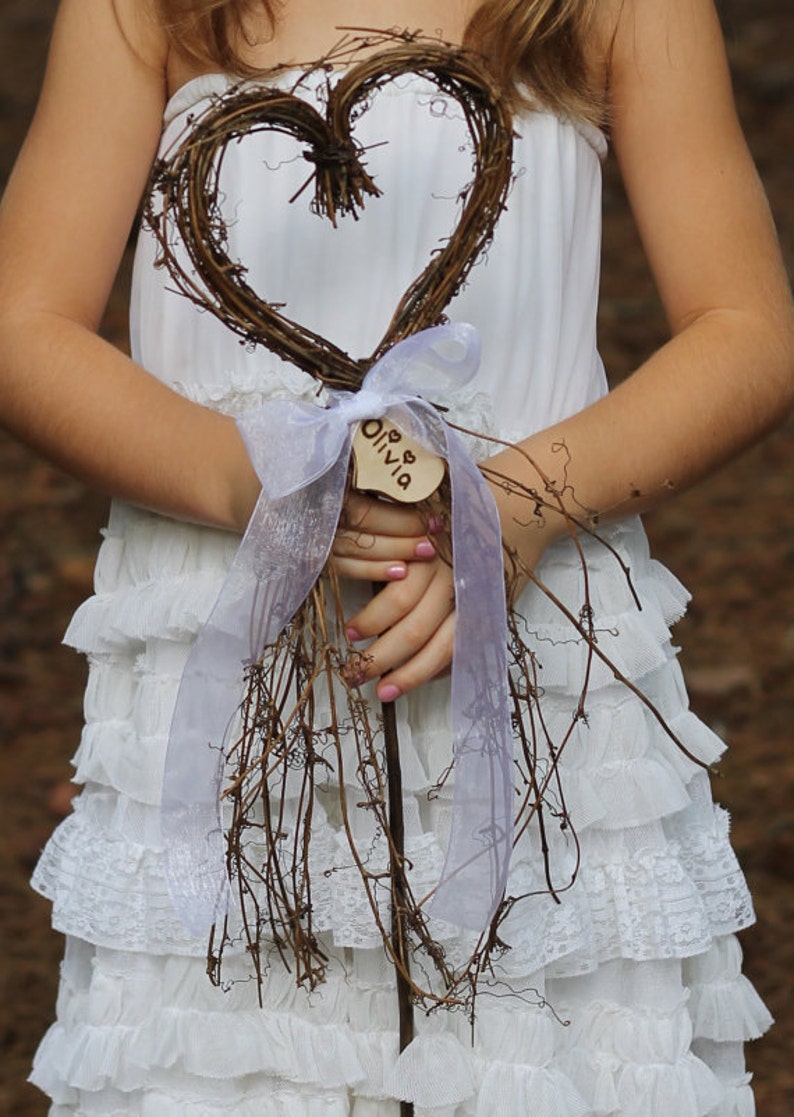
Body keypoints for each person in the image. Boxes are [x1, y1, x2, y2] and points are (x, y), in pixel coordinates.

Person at [1, 0, 792, 1113]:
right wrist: (259, 482)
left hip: (531, 646)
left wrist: (506, 508)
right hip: (226, 653)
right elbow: (24, 321)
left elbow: (744, 326)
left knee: (535, 1040)